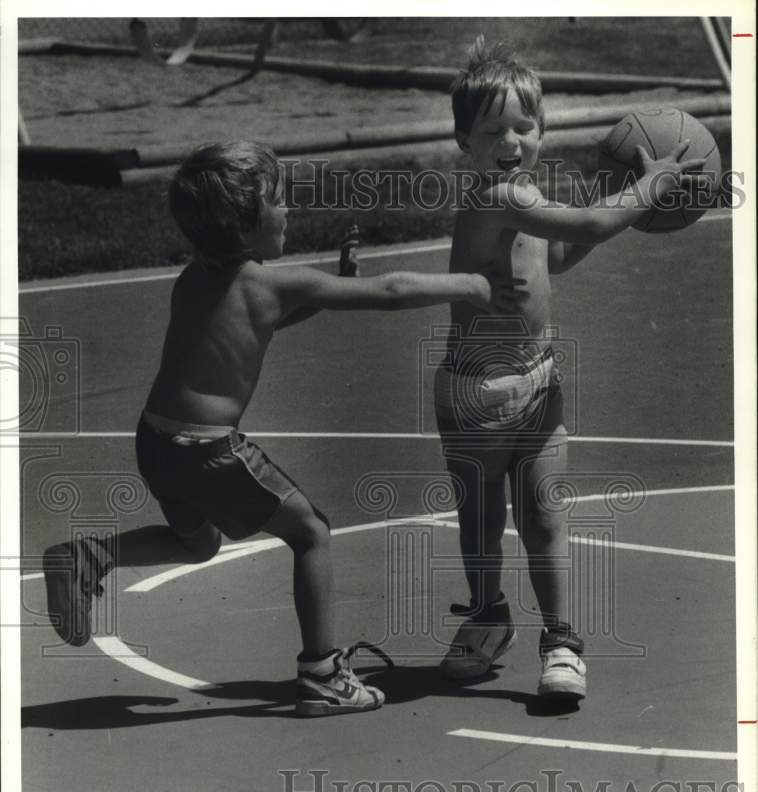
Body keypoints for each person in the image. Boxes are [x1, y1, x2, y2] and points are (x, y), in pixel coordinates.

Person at [44, 139, 512, 718]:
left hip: (157, 441)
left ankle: (90, 555)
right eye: (278, 200)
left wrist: (332, 285)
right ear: (244, 224)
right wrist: (470, 285)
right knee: (311, 532)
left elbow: (256, 327)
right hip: (207, 449)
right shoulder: (268, 284)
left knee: (197, 543)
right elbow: (390, 292)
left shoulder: (196, 278)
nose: (288, 208)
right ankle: (323, 673)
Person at [436, 37, 704, 700]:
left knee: (545, 516)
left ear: (543, 131)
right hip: (475, 394)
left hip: (537, 381)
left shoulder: (523, 192)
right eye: (492, 131)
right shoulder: (496, 196)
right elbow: (587, 225)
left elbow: (558, 254)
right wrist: (648, 186)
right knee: (480, 522)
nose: (511, 141)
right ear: (463, 141)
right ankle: (488, 616)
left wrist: (612, 210)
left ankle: (560, 640)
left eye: (524, 127)